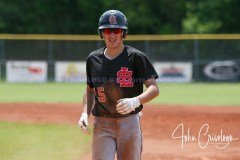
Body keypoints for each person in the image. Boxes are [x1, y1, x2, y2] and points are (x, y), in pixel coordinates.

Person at [78, 10, 159, 160]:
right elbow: (90, 90)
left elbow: (154, 89)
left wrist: (135, 101)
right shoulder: (93, 59)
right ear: (102, 33)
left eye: (116, 30)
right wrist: (84, 113)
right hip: (102, 124)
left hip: (129, 122)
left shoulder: (136, 57)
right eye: (107, 30)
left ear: (123, 32)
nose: (112, 34)